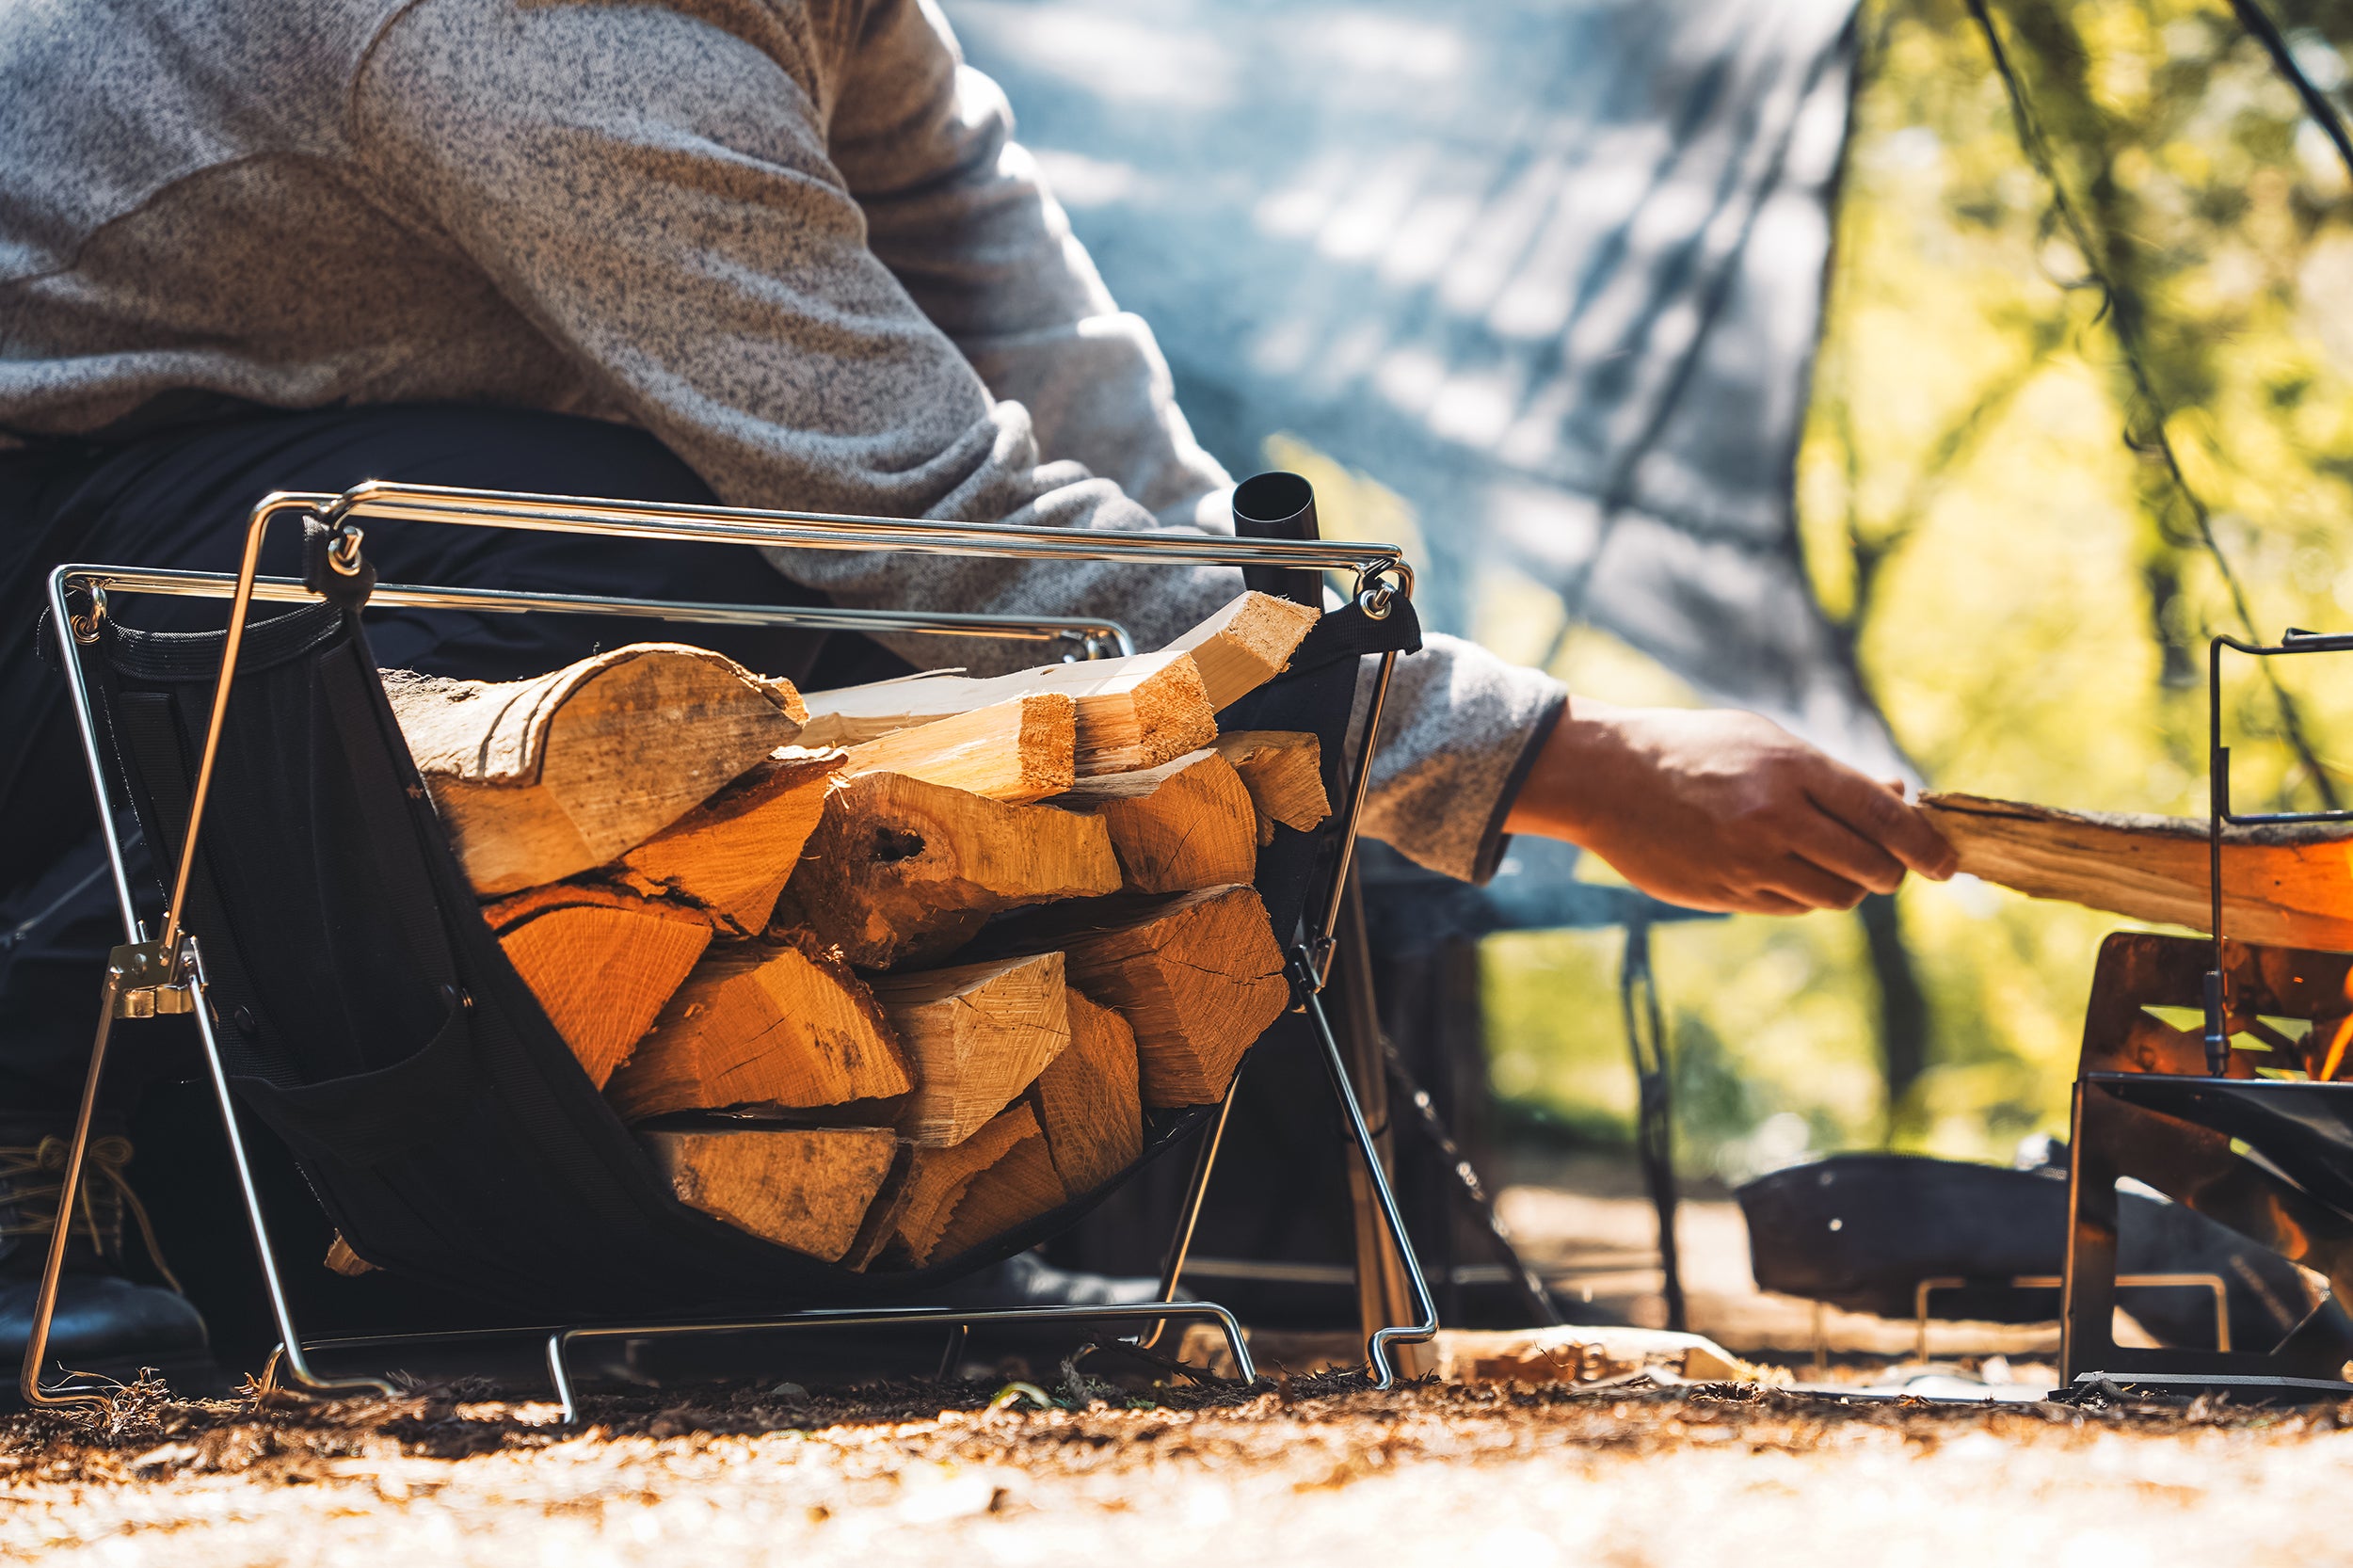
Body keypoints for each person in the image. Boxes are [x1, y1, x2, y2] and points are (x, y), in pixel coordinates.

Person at [0, 0, 1956, 1382]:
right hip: (63, 572)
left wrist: (1307, 665)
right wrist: (1555, 758)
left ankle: (855, 1190)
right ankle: (231, 1189)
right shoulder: (525, 32)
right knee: (700, 534)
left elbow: (1037, 346)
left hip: (205, 494)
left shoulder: (818, 9)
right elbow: (920, 510)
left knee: (860, 568)